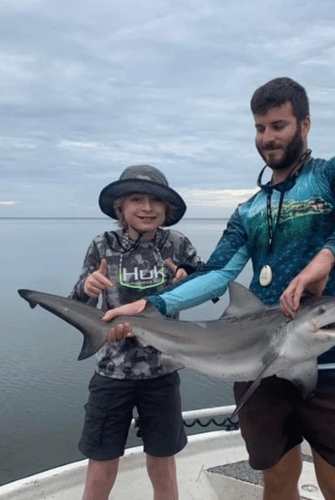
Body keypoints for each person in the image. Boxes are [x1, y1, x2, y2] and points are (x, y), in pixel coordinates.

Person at [102, 77, 335, 500]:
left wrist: (326, 257)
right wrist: (154, 303)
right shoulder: (249, 210)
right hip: (258, 361)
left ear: (305, 124)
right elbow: (218, 274)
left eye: (279, 125)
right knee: (276, 482)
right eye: (260, 128)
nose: (268, 137)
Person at [68, 165, 203, 500]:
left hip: (163, 369)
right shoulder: (102, 245)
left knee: (163, 460)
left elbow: (207, 282)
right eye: (137, 199)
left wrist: (189, 278)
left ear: (167, 209)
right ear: (121, 207)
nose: (147, 208)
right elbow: (78, 304)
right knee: (102, 459)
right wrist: (87, 287)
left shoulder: (178, 244)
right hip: (113, 370)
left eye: (156, 200)